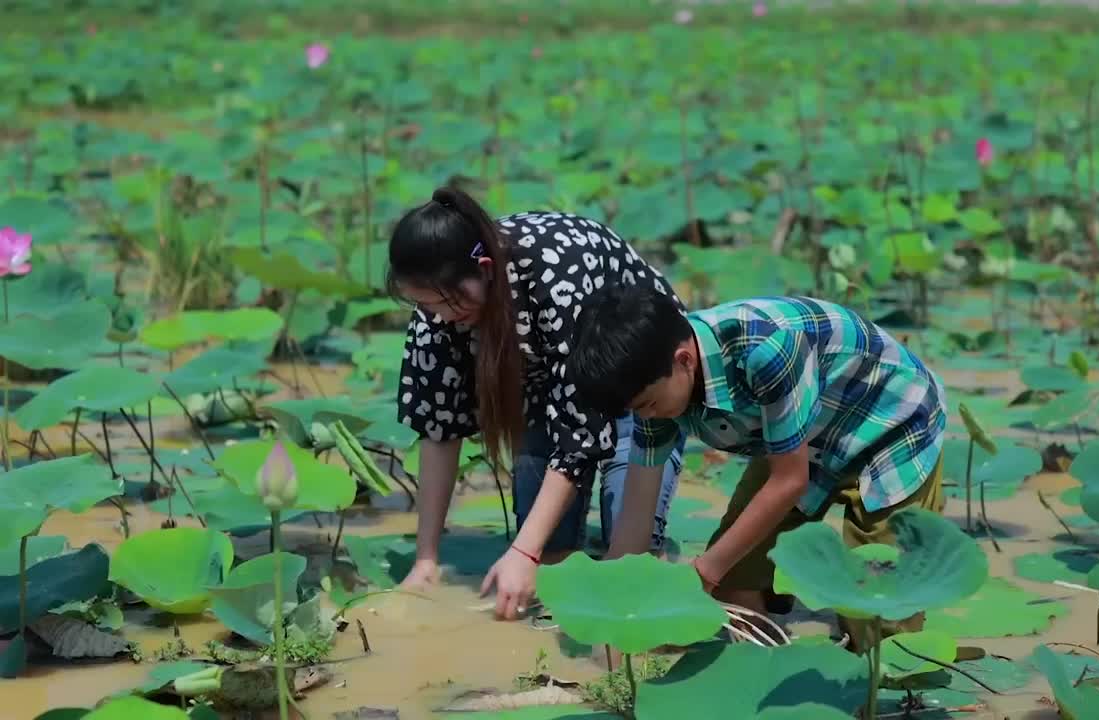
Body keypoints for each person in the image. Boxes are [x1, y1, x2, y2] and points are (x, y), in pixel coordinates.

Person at [566, 285, 947, 650]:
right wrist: (616, 601)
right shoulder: (652, 379)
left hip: (889, 425)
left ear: (684, 360)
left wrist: (702, 572)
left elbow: (789, 481)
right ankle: (765, 661)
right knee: (733, 584)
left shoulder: (766, 350)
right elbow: (637, 508)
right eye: (636, 410)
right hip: (802, 435)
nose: (646, 416)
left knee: (884, 635)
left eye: (648, 405)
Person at [388, 186, 685, 620]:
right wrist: (426, 560)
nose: (438, 318)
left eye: (445, 304)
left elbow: (580, 433)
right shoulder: (437, 307)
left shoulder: (555, 270)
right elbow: (439, 431)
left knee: (628, 560)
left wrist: (522, 553)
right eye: (423, 305)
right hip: (544, 398)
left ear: (485, 270)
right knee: (551, 557)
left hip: (640, 391)